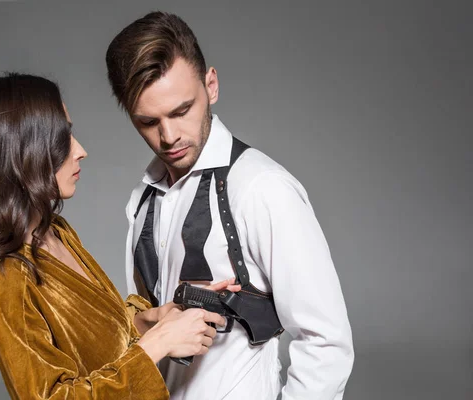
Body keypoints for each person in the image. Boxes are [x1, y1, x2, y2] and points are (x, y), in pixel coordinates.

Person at [0, 73, 233, 399]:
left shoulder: (55, 234)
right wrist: (159, 344)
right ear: (23, 153)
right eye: (63, 138)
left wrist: (153, 321)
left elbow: (97, 342)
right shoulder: (4, 276)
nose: (81, 151)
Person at [106, 11, 355, 399]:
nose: (168, 136)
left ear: (212, 85)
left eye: (182, 110)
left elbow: (326, 342)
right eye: (148, 122)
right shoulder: (143, 201)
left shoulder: (261, 187)